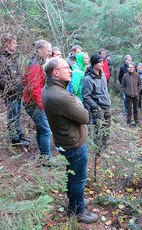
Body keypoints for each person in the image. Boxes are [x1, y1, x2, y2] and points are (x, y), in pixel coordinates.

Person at [42, 58, 98, 224]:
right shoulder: (60, 96)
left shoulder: (49, 88)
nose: (71, 70)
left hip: (64, 140)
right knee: (78, 178)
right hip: (73, 143)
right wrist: (78, 101)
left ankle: (74, 202)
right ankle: (78, 211)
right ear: (56, 72)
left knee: (71, 174)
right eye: (66, 68)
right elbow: (85, 116)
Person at [0, 33, 29, 147]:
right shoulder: (0, 59)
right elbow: (1, 79)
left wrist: (22, 86)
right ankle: (14, 138)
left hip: (18, 92)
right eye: (14, 43)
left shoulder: (13, 57)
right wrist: (13, 89)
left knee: (18, 114)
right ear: (7, 44)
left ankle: (20, 134)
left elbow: (18, 74)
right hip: (10, 94)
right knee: (12, 116)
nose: (16, 45)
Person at [23, 40, 53, 157]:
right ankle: (46, 158)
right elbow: (34, 88)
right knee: (46, 130)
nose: (49, 53)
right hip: (33, 104)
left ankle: (44, 156)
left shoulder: (37, 63)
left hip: (33, 102)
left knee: (42, 129)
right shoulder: (35, 65)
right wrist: (42, 105)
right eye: (48, 50)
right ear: (39, 50)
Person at [82, 54, 111, 155]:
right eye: (99, 62)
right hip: (98, 108)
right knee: (99, 131)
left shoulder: (102, 74)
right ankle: (98, 152)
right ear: (94, 63)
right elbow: (85, 96)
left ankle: (104, 148)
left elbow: (105, 89)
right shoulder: (88, 79)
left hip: (107, 106)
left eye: (102, 62)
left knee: (107, 129)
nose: (102, 64)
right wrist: (96, 107)